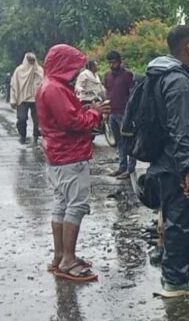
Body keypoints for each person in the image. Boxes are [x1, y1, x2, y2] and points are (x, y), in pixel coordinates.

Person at [36, 44, 110, 281]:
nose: (77, 72)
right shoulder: (56, 89)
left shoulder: (48, 85)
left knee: (61, 203)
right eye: (74, 66)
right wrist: (95, 112)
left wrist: (86, 109)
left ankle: (60, 256)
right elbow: (73, 122)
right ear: (64, 64)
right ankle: (68, 260)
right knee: (76, 205)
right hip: (70, 154)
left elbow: (66, 117)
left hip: (57, 155)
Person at [146, 25, 189, 297]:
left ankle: (181, 268)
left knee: (179, 218)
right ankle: (175, 280)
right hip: (176, 164)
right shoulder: (178, 82)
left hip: (167, 160)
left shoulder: (165, 74)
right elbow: (181, 129)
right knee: (180, 221)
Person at [104, 51, 135, 179]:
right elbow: (107, 93)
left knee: (130, 142)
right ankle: (122, 167)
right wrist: (106, 111)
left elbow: (133, 94)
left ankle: (130, 169)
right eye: (110, 63)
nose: (112, 65)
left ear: (119, 61)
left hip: (125, 114)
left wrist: (131, 113)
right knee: (119, 142)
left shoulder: (128, 75)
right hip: (112, 113)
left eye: (114, 62)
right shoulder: (107, 76)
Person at [10, 52, 44, 144]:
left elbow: (44, 84)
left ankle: (36, 136)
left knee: (38, 120)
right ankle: (23, 135)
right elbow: (14, 85)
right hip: (22, 98)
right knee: (22, 118)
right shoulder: (19, 71)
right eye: (30, 60)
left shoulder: (39, 70)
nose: (32, 62)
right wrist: (13, 99)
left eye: (33, 60)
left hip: (36, 99)